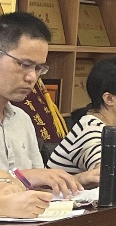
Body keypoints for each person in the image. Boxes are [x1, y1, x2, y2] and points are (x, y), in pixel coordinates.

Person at [0, 12, 85, 202]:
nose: (32, 77)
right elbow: (31, 178)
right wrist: (25, 176)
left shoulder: (22, 119)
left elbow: (38, 184)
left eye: (38, 68)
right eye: (24, 64)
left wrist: (78, 180)